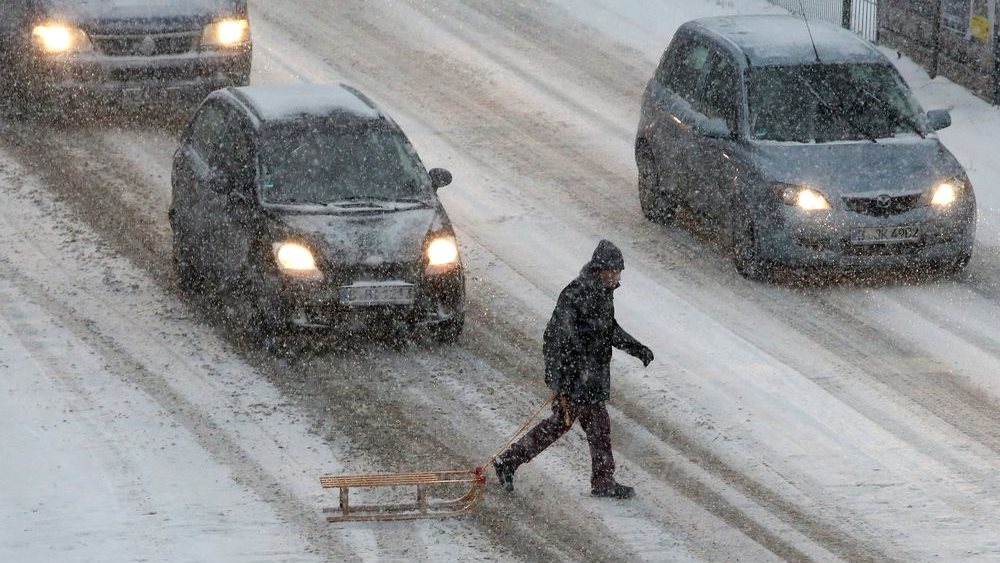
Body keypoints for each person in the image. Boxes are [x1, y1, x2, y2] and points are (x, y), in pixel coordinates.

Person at [493, 239, 654, 499]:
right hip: (577, 379)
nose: (615, 276)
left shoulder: (600, 293)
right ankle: (600, 480)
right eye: (611, 271)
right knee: (585, 426)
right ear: (598, 269)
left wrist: (637, 349)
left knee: (572, 426)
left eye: (618, 272)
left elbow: (608, 329)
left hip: (587, 380)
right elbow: (556, 338)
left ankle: (510, 462)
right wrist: (562, 379)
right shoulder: (578, 294)